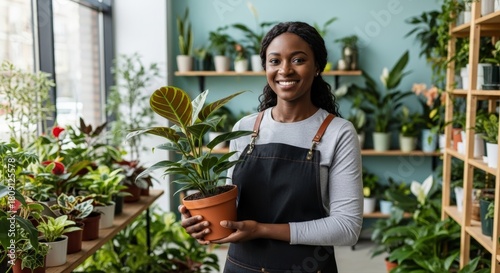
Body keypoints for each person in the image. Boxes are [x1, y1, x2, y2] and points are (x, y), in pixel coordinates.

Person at [179, 21, 363, 273]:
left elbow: (347, 228)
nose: (285, 70)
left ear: (318, 66)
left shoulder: (337, 132)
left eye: (298, 60)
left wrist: (261, 229)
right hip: (241, 266)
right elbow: (230, 206)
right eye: (275, 61)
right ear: (265, 66)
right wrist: (201, 219)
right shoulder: (245, 128)